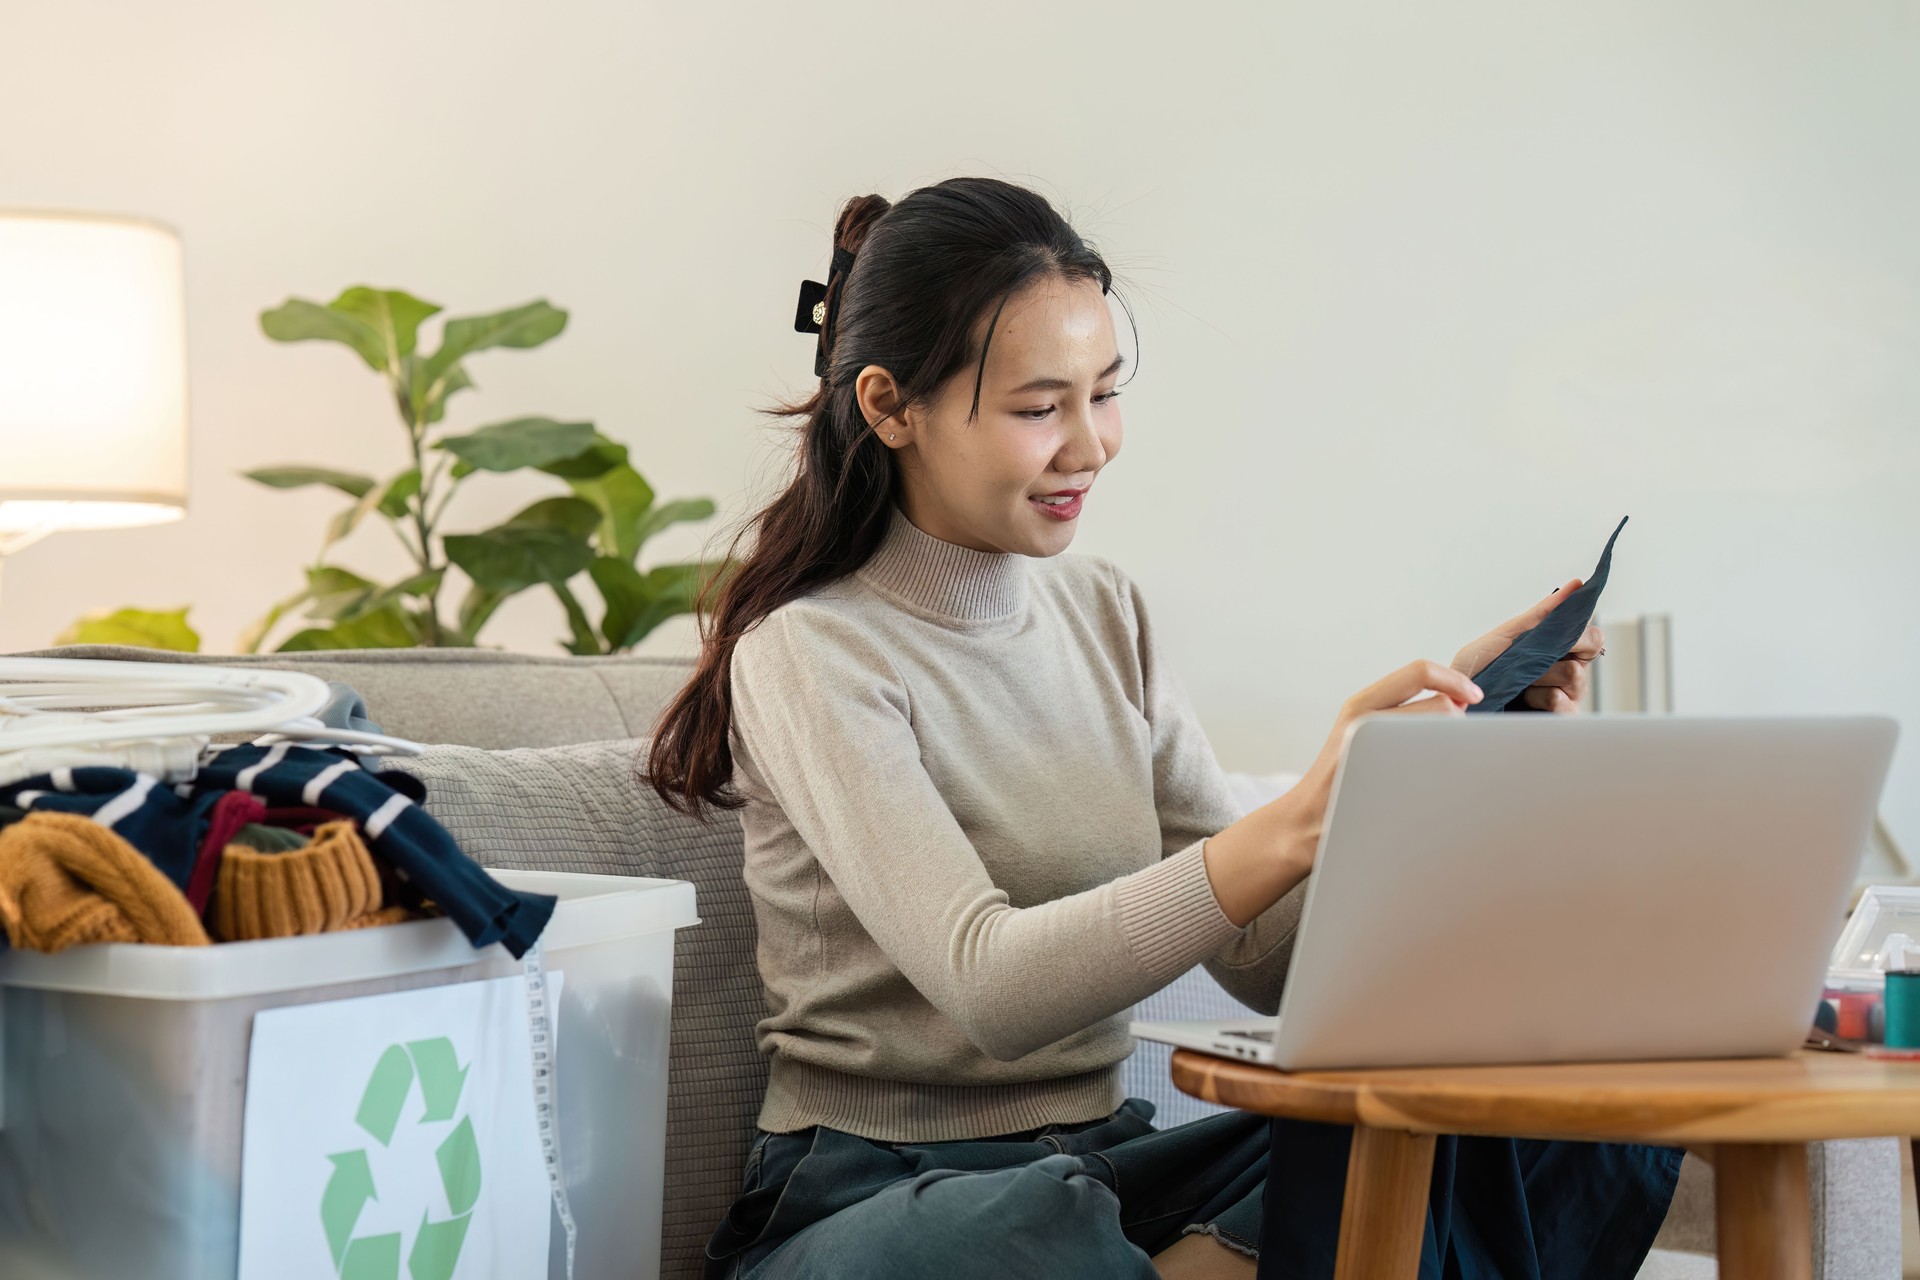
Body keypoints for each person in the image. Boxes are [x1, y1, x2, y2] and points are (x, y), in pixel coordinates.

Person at [648, 177, 1677, 1280]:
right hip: (884, 1199)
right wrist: (1292, 819)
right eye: (1040, 407)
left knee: (1541, 1127)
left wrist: (1425, 783)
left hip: (1106, 1172)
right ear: (892, 405)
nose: (1089, 446)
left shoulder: (1106, 613)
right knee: (1037, 1235)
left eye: (1107, 392)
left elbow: (1262, 959)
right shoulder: (814, 652)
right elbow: (991, 985)